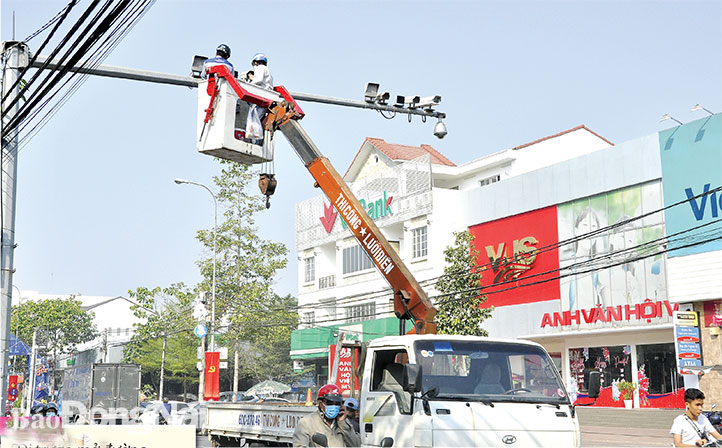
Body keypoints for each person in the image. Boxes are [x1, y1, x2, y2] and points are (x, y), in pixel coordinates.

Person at [292, 384, 360, 447]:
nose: (334, 405)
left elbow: (356, 445)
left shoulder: (343, 423)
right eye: (330, 403)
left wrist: (342, 423)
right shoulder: (306, 422)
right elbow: (299, 445)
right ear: (320, 403)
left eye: (337, 403)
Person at [246, 53, 273, 142]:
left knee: (254, 121)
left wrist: (248, 85)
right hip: (266, 97)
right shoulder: (267, 70)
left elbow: (259, 80)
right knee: (258, 121)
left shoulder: (260, 68)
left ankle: (254, 143)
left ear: (256, 62)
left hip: (261, 97)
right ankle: (257, 141)